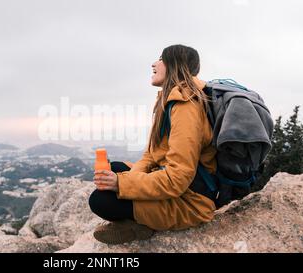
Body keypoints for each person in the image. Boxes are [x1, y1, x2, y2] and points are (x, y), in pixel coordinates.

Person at [88, 44, 218, 245]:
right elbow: (151, 155)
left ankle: (138, 226)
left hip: (192, 201)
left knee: (101, 200)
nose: (154, 64)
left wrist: (121, 184)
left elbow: (178, 178)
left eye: (161, 58)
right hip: (179, 187)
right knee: (114, 169)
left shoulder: (186, 106)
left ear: (175, 65)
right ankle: (138, 222)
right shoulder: (170, 100)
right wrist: (126, 181)